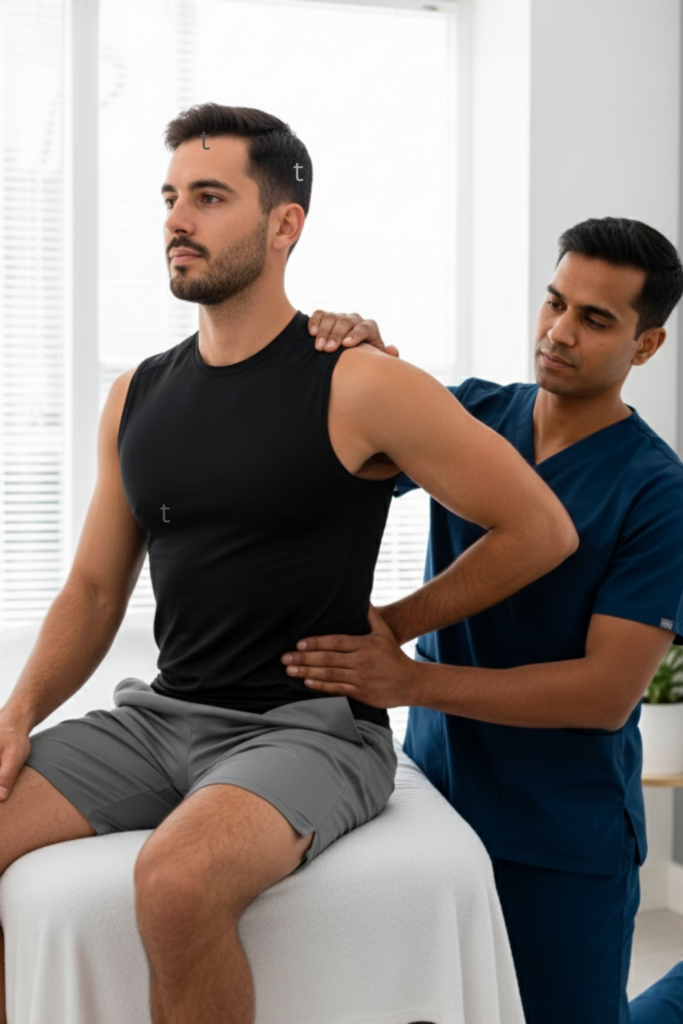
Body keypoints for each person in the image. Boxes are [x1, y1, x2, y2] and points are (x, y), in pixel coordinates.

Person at [0, 103, 577, 1024]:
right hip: (162, 717)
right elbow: (97, 588)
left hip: (309, 730)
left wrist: (396, 628)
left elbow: (538, 528)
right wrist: (18, 715)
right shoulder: (135, 395)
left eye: (209, 197)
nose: (177, 220)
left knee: (176, 882)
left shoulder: (359, 380)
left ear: (284, 225)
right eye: (169, 197)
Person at [283, 216, 683, 1024]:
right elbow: (344, 444)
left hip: (561, 835)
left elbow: (604, 694)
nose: (558, 332)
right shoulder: (473, 414)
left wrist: (409, 680)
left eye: (594, 319)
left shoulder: (656, 491)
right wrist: (357, 361)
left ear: (645, 346)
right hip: (437, 803)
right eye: (554, 302)